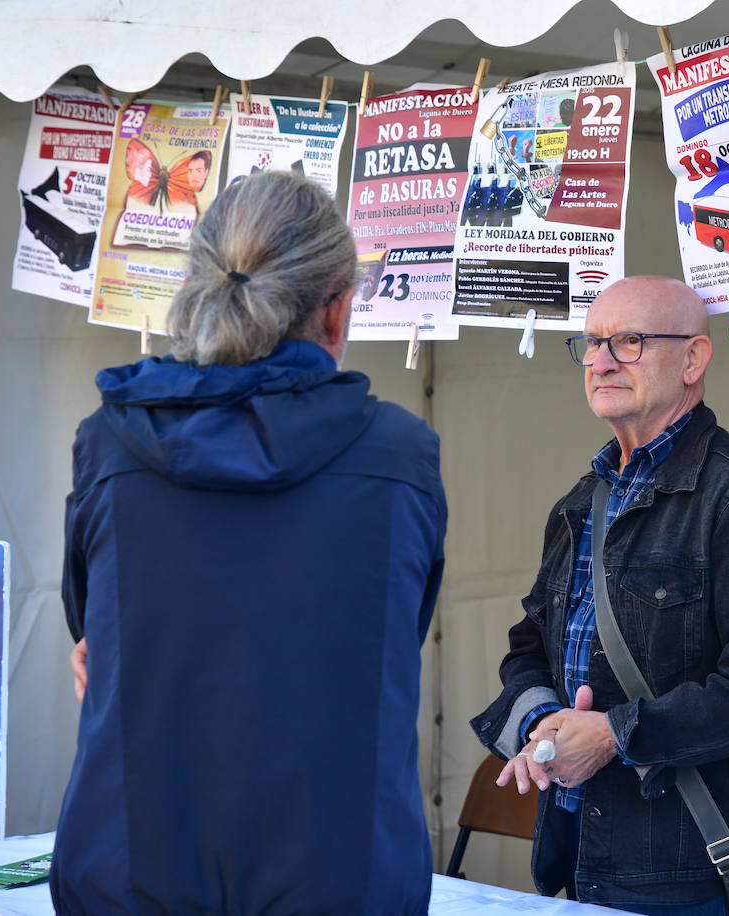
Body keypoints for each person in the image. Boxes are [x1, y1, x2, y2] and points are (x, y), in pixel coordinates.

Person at [53, 170, 446, 915]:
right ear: (337, 311)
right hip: (340, 876)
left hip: (132, 874)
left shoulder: (107, 445)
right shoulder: (399, 454)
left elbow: (89, 634)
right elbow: (392, 633)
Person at [470, 276, 729, 913]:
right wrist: (539, 726)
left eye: (628, 342)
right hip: (579, 855)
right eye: (591, 343)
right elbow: (527, 648)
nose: (600, 361)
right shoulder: (582, 501)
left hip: (688, 875)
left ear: (693, 359)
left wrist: (613, 735)